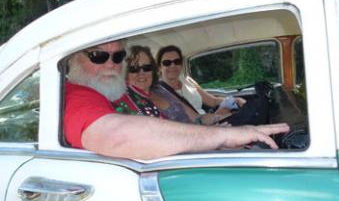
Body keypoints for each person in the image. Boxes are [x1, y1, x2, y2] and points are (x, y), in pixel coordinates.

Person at [64, 40, 289, 160]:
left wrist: (220, 134)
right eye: (98, 55)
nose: (111, 64)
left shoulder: (145, 93)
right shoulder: (76, 95)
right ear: (74, 57)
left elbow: (194, 120)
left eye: (118, 56)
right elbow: (116, 136)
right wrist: (223, 136)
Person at [126, 45, 229, 125]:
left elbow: (197, 118)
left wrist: (223, 117)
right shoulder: (129, 102)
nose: (141, 73)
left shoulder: (161, 89)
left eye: (146, 67)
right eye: (134, 69)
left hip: (201, 134)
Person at [156, 45, 246, 115]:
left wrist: (235, 100)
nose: (173, 66)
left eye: (177, 61)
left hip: (209, 122)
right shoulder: (159, 91)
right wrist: (217, 115)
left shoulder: (187, 80)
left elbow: (213, 101)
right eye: (167, 63)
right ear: (160, 67)